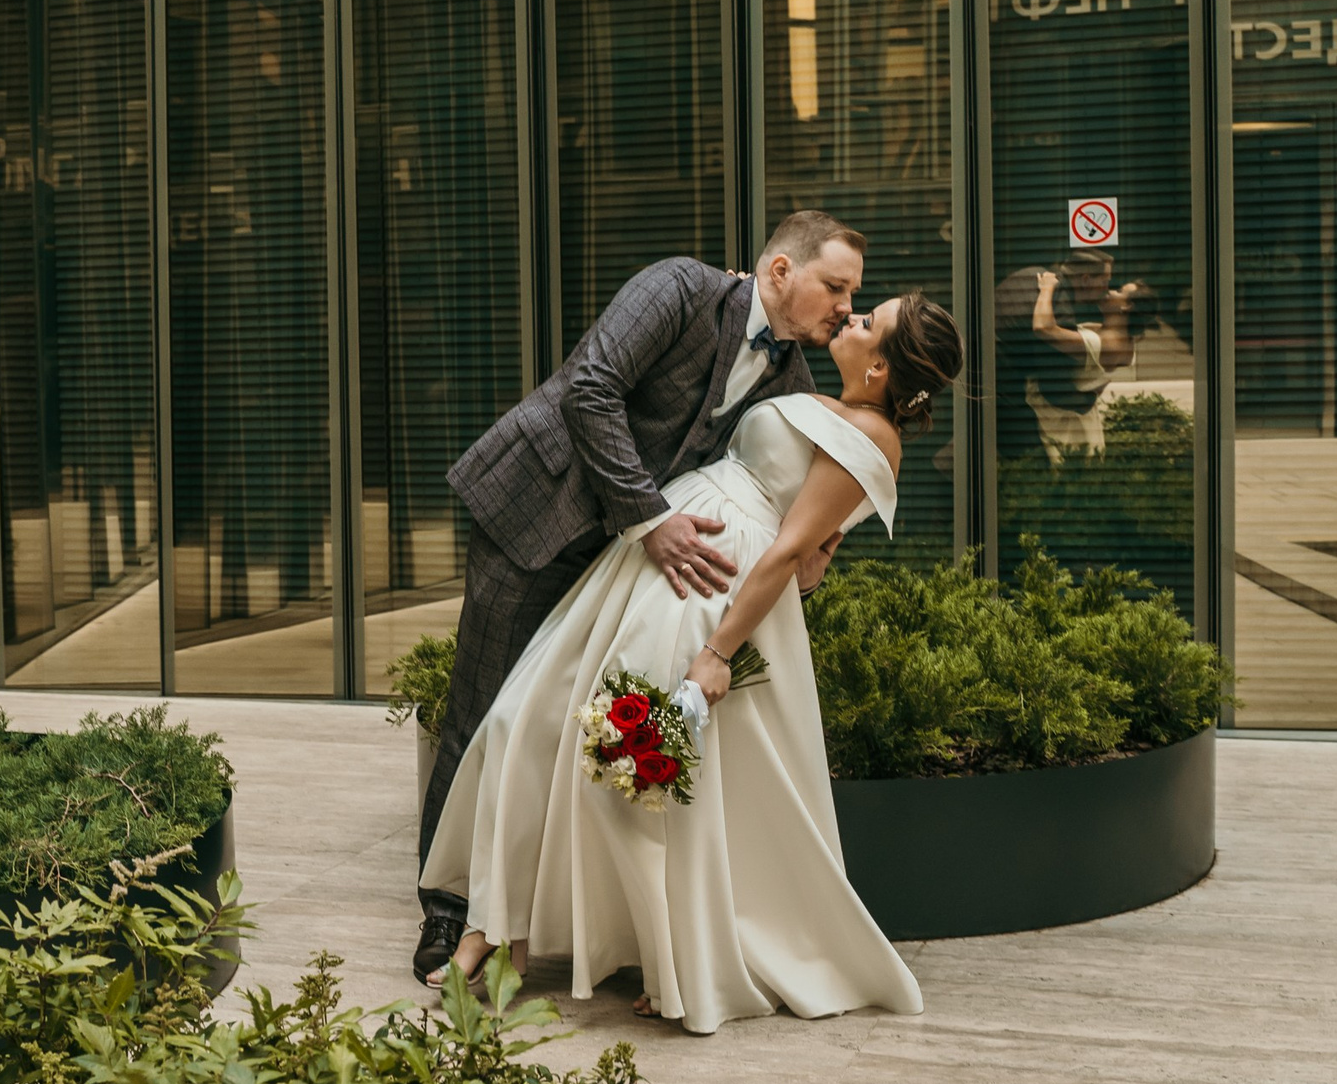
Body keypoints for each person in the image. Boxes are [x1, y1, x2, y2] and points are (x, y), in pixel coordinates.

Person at [422, 293, 966, 1033]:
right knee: (531, 716)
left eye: (870, 320)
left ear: (879, 365)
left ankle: (665, 957)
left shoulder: (873, 437)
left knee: (625, 761)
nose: (853, 313)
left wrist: (715, 656)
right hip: (657, 559)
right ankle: (496, 920)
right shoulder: (815, 392)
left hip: (710, 590)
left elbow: (786, 557)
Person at [413, 211, 867, 983]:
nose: (845, 305)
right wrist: (652, 522)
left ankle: (518, 913)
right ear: (782, 271)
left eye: (854, 293)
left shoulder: (795, 384)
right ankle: (446, 910)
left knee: (540, 717)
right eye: (836, 285)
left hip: (613, 564)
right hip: (535, 510)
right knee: (481, 706)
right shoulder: (680, 285)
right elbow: (591, 388)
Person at [995, 248, 1143, 462]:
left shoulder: (1034, 274)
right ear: (1085, 280)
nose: (1107, 290)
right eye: (1105, 281)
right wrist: (1088, 397)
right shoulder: (1061, 311)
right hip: (1006, 384)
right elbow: (1053, 386)